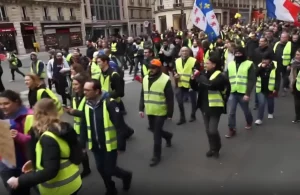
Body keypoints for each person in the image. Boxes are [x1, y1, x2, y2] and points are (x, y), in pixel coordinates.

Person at [7, 98, 82, 195]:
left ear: (37, 114)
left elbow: (50, 171)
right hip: (73, 180)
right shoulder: (64, 128)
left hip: (59, 188)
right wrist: (34, 162)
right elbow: (70, 155)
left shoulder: (47, 138)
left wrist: (19, 181)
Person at [80, 79, 132, 195]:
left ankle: (126, 176)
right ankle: (110, 188)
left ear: (97, 91)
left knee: (110, 169)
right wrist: (82, 145)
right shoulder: (86, 103)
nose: (84, 92)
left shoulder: (109, 103)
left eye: (87, 90)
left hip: (109, 145)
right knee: (100, 168)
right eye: (84, 90)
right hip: (95, 145)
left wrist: (120, 146)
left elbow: (120, 126)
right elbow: (84, 124)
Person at [191, 53, 230, 158]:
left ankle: (217, 147)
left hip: (215, 107)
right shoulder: (204, 73)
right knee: (208, 130)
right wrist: (193, 79)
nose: (205, 64)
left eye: (207, 63)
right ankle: (212, 148)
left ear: (214, 65)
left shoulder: (220, 76)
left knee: (212, 130)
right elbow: (195, 87)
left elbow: (211, 85)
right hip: (204, 105)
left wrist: (199, 76)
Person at [139, 59, 174, 166]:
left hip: (160, 110)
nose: (151, 69)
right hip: (150, 110)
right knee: (152, 129)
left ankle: (156, 156)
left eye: (153, 68)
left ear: (158, 68)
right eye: (150, 67)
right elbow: (142, 94)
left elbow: (170, 98)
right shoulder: (145, 78)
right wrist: (141, 108)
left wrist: (169, 113)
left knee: (157, 134)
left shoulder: (165, 79)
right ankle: (168, 136)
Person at [0, 90, 32, 195]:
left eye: (6, 103)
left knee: (20, 190)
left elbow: (37, 140)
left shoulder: (28, 116)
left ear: (17, 102)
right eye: (0, 104)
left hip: (21, 162)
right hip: (6, 159)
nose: (2, 107)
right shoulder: (6, 114)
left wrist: (18, 136)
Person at [65, 74, 91, 178]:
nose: (74, 86)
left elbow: (89, 113)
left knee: (83, 148)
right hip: (78, 127)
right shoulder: (75, 96)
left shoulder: (87, 97)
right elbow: (74, 110)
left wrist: (74, 112)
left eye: (76, 84)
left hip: (88, 127)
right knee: (81, 149)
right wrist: (69, 110)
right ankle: (86, 168)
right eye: (73, 84)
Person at [225, 46, 255, 138]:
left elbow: (251, 80)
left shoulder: (249, 64)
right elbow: (226, 77)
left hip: (243, 92)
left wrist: (247, 93)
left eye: (239, 53)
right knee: (231, 112)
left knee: (246, 110)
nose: (238, 55)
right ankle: (232, 129)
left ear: (243, 54)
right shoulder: (230, 64)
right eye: (236, 53)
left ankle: (249, 121)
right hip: (233, 91)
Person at [174, 47, 200, 125]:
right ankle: (182, 118)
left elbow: (197, 71)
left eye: (186, 51)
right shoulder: (177, 61)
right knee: (179, 101)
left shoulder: (194, 61)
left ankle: (193, 115)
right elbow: (175, 69)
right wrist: (175, 74)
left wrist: (195, 76)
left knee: (193, 101)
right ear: (180, 52)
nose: (184, 52)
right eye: (182, 51)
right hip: (180, 83)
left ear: (189, 52)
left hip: (191, 84)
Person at [255, 53, 280, 125]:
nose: (264, 61)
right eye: (263, 59)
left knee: (270, 102)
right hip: (261, 88)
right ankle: (259, 118)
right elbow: (255, 74)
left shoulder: (275, 66)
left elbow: (278, 78)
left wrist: (276, 88)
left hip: (270, 89)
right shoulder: (259, 65)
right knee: (261, 103)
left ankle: (270, 112)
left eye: (266, 59)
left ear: (270, 60)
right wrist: (261, 68)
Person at [290, 48, 300, 123]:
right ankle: (297, 117)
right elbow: (292, 75)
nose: (297, 56)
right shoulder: (294, 63)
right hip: (296, 85)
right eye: (296, 54)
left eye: (299, 55)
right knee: (297, 103)